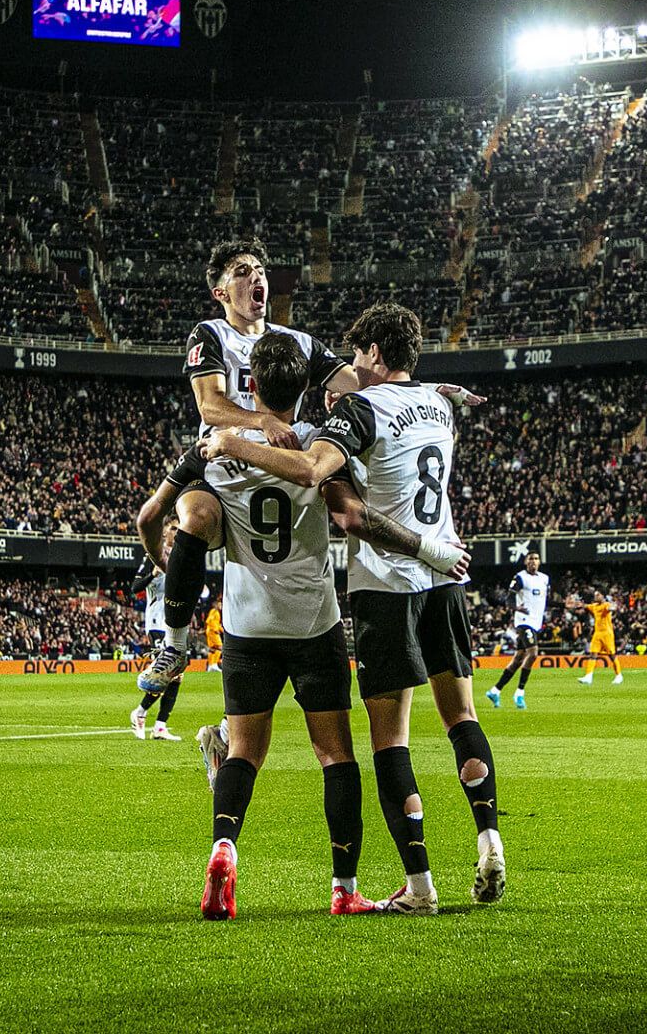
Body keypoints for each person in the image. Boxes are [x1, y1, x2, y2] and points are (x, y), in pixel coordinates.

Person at [140, 332, 466, 918]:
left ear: (253, 386)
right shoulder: (319, 443)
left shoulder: (217, 447)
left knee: (243, 753)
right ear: (308, 388)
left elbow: (156, 514)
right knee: (336, 757)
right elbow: (348, 508)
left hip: (245, 627)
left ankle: (223, 848)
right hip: (315, 624)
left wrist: (173, 553)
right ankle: (344, 890)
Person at [203, 302, 505, 914]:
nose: (349, 370)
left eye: (357, 357)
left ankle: (420, 885)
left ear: (374, 354)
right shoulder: (443, 406)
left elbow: (323, 480)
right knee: (460, 717)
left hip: (385, 587)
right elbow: (415, 411)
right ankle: (489, 838)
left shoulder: (361, 412)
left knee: (389, 741)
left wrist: (232, 441)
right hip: (445, 578)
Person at [142, 238, 479, 694]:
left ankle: (240, 715)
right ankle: (176, 644)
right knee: (197, 517)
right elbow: (210, 406)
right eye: (241, 271)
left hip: (285, 459)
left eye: (259, 268)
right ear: (221, 293)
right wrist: (260, 419)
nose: (256, 276)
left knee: (308, 543)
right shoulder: (210, 334)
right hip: (221, 458)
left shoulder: (298, 342)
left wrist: (427, 387)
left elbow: (364, 383)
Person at [126, 538, 183, 741]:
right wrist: (153, 574)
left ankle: (160, 726)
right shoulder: (153, 557)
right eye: (173, 529)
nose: (177, 534)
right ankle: (140, 713)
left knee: (176, 675)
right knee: (165, 673)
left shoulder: (181, 557)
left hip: (174, 624)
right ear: (165, 533)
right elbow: (135, 587)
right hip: (158, 623)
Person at [488, 552, 550, 709]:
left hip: (536, 622)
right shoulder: (520, 577)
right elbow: (509, 597)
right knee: (533, 653)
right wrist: (516, 608)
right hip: (523, 622)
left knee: (518, 659)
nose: (533, 562)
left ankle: (495, 690)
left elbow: (545, 601)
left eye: (536, 559)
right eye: (530, 559)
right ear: (525, 562)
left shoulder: (544, 579)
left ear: (540, 562)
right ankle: (519, 693)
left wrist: (565, 605)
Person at [575, 591, 622, 686]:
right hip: (597, 633)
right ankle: (588, 676)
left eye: (598, 595)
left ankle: (619, 675)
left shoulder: (606, 605)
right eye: (595, 595)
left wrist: (614, 607)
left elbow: (611, 608)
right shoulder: (594, 606)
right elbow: (586, 606)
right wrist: (581, 604)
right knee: (593, 654)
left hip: (607, 634)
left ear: (603, 596)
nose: (596, 596)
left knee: (611, 655)